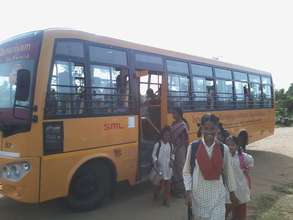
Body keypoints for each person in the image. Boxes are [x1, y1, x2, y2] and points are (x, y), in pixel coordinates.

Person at [183, 113, 238, 220]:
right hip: (198, 196)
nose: (209, 132)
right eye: (206, 128)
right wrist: (188, 191)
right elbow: (186, 171)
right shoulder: (193, 147)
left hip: (218, 196)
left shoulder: (224, 149)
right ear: (201, 129)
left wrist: (232, 193)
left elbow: (228, 173)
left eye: (212, 128)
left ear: (217, 129)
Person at [225, 136, 254, 220]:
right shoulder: (224, 157)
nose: (230, 147)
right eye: (227, 145)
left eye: (232, 145)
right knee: (225, 212)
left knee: (240, 214)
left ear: (237, 146)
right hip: (228, 191)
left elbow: (248, 168)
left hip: (241, 190)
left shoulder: (243, 157)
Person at [152, 126, 175, 207]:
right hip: (160, 169)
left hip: (168, 168)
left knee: (167, 184)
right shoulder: (158, 144)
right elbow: (154, 154)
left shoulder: (171, 145)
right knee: (158, 184)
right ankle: (156, 194)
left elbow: (172, 154)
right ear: (162, 135)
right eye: (165, 135)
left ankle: (166, 200)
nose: (167, 137)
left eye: (169, 135)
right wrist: (155, 162)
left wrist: (172, 160)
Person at [170, 107, 189, 196]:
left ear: (179, 114)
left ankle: (183, 190)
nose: (173, 115)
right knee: (174, 168)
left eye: (174, 113)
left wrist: (176, 148)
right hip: (173, 148)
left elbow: (183, 140)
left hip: (180, 149)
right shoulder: (174, 123)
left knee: (180, 168)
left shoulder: (183, 125)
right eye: (172, 113)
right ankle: (176, 189)